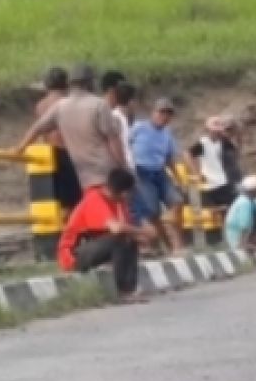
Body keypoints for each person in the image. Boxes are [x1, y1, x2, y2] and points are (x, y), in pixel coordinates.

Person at [16, 64, 124, 205]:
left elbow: (37, 129)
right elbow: (112, 139)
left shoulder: (55, 106)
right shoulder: (97, 105)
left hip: (69, 165)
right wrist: (122, 165)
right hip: (93, 166)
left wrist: (19, 148)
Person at [57, 167, 143, 304]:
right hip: (73, 255)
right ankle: (124, 290)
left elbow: (123, 227)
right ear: (123, 192)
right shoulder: (95, 199)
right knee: (120, 238)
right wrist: (143, 232)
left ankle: (130, 288)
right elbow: (117, 228)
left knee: (129, 239)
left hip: (91, 247)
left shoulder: (115, 202)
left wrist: (138, 235)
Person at [128, 98, 186, 253]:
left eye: (168, 113)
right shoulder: (139, 127)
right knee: (152, 211)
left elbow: (169, 158)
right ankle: (167, 244)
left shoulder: (167, 134)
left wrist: (178, 179)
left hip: (159, 171)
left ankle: (177, 243)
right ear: (153, 113)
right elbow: (126, 144)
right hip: (142, 171)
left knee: (178, 202)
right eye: (162, 112)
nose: (164, 116)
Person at [30, 67, 81, 217]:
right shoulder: (70, 102)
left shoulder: (41, 105)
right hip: (68, 152)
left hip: (48, 153)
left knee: (54, 198)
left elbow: (42, 132)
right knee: (73, 200)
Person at [188, 116, 241, 218]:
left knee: (232, 210)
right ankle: (215, 210)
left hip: (225, 181)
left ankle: (216, 210)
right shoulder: (204, 143)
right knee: (230, 209)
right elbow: (188, 154)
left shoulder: (222, 142)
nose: (218, 133)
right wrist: (196, 172)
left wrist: (236, 136)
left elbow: (236, 152)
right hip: (214, 182)